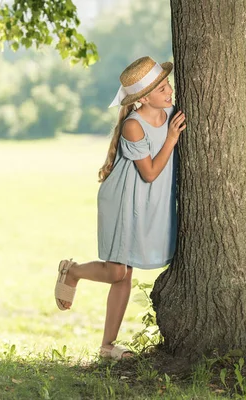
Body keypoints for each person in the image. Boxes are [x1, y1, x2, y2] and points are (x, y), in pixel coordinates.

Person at [54, 56, 186, 360]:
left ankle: (107, 346)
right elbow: (149, 172)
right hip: (125, 201)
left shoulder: (170, 113)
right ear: (143, 98)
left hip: (149, 201)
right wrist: (172, 138)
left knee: (123, 273)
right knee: (118, 272)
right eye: (162, 89)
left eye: (168, 85)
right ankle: (71, 271)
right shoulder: (133, 125)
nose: (169, 91)